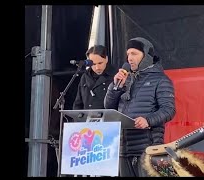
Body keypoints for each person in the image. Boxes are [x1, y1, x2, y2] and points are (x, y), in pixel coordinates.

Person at [104, 37, 176, 177]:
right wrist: (115, 86)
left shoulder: (161, 80)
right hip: (124, 149)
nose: (129, 58)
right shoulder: (126, 79)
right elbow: (108, 107)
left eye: (134, 53)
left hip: (149, 149)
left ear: (146, 56)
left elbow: (169, 109)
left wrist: (148, 120)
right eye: (128, 54)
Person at [73, 45, 116, 110]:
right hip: (87, 118)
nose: (97, 68)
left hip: (109, 118)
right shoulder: (85, 76)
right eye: (94, 64)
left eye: (100, 63)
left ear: (106, 59)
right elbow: (78, 103)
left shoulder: (115, 75)